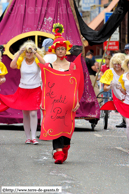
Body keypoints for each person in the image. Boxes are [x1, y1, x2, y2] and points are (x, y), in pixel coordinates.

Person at [40, 23, 82, 164]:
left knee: (66, 126)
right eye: (58, 49)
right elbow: (45, 86)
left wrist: (77, 101)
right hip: (53, 100)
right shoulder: (49, 66)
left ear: (66, 50)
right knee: (54, 123)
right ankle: (57, 152)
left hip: (69, 101)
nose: (61, 51)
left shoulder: (73, 66)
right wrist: (43, 101)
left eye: (63, 49)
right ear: (54, 50)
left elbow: (76, 85)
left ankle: (65, 146)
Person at [0, 40, 45, 144]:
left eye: (30, 52)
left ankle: (34, 137)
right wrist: (19, 53)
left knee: (33, 113)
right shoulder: (21, 60)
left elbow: (44, 64)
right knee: (25, 114)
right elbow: (12, 66)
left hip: (35, 89)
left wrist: (36, 52)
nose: (29, 54)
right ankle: (28, 137)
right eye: (27, 52)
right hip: (23, 89)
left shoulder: (37, 60)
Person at [100, 53, 126, 127]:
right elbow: (105, 89)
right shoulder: (109, 72)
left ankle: (125, 121)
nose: (117, 65)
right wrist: (110, 86)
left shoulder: (126, 72)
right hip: (116, 96)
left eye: (119, 63)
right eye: (115, 64)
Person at [115, 55, 129, 141]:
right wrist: (120, 89)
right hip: (127, 102)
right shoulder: (124, 76)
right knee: (128, 124)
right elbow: (124, 90)